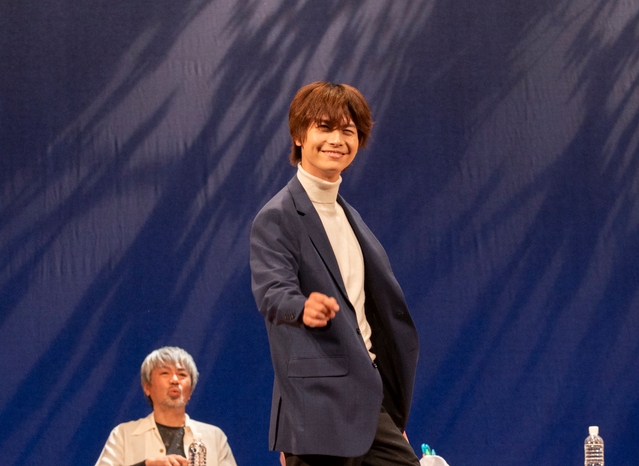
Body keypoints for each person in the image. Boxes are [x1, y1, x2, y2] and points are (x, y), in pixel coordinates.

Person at [250, 81, 420, 465]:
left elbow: (369, 318)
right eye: (324, 127)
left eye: (348, 130)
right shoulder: (278, 216)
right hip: (317, 410)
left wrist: (387, 416)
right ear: (299, 136)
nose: (337, 140)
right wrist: (302, 307)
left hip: (368, 405)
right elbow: (272, 291)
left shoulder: (349, 217)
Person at [95, 346, 237, 466]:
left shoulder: (214, 437)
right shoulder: (123, 434)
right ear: (147, 387)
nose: (175, 380)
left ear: (190, 391)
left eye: (182, 375)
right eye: (165, 373)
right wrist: (146, 465)